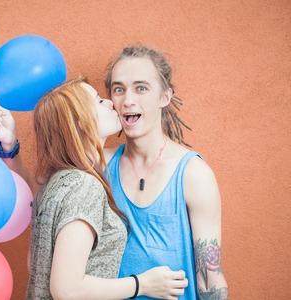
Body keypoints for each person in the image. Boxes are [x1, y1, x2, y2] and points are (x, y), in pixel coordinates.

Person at [0, 77, 188, 299]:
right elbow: (66, 289)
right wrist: (142, 284)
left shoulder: (57, 182)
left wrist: (9, 146)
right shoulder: (84, 187)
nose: (111, 102)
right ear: (80, 122)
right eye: (99, 101)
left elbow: (38, 266)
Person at [103, 45, 229, 299]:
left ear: (165, 97)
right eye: (119, 89)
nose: (128, 100)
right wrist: (11, 150)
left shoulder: (193, 174)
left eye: (141, 88)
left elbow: (209, 278)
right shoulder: (101, 164)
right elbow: (47, 202)